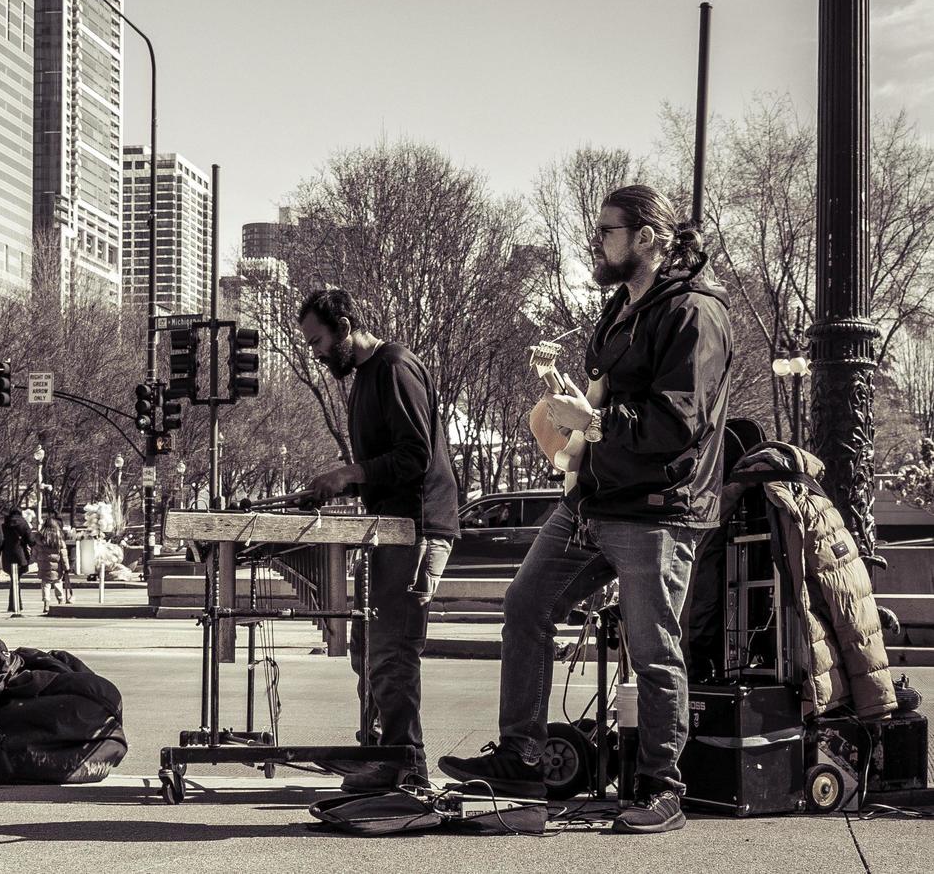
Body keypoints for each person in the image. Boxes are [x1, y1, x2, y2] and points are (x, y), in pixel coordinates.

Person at [438, 184, 731, 835]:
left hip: (657, 510)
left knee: (653, 649)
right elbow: (603, 397)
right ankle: (521, 756)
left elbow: (677, 423)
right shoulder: (619, 306)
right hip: (590, 500)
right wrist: (569, 417)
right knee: (525, 604)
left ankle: (662, 787)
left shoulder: (695, 314)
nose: (596, 242)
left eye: (607, 232)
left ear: (647, 239)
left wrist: (593, 423)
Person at [295, 287, 458, 794]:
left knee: (392, 649)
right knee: (366, 645)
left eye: (318, 340)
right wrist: (346, 484)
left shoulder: (394, 367)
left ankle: (406, 763)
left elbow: (415, 455)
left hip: (417, 528)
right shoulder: (365, 377)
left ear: (345, 327)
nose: (315, 353)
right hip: (388, 527)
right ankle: (381, 749)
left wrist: (350, 473)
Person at [0, 506, 34, 614]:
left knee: (14, 580)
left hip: (7, 555)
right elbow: (31, 540)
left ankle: (13, 604)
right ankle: (16, 604)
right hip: (21, 555)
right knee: (16, 580)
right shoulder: (23, 524)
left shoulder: (4, 525)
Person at [33, 513, 72, 610]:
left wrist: (33, 560)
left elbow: (35, 552)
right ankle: (60, 600)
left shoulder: (40, 538)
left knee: (45, 585)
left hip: (44, 566)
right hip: (57, 567)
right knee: (58, 583)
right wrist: (66, 567)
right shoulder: (59, 538)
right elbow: (64, 554)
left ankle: (46, 603)